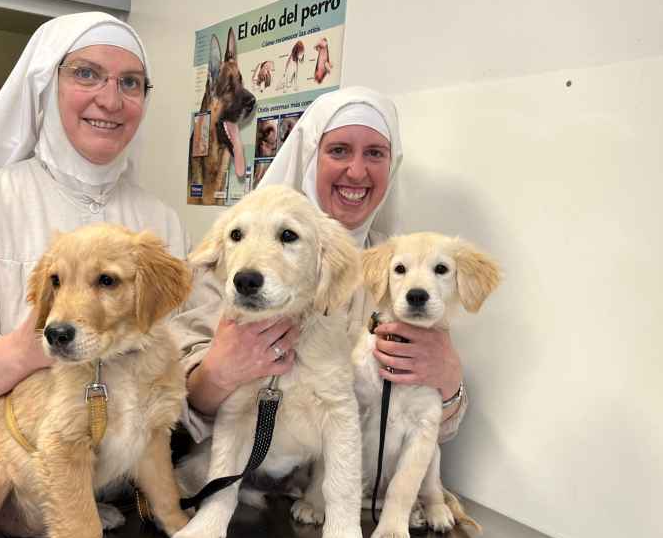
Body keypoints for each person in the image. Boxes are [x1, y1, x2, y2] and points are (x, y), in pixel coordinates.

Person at [0, 12, 189, 529]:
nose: (111, 100)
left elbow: (182, 357)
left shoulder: (160, 222)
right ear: (46, 82)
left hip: (102, 512)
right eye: (86, 73)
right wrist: (20, 353)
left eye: (130, 82)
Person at [174, 86, 467, 451]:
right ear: (311, 156)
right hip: (235, 478)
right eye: (339, 150)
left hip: (339, 489)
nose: (357, 171)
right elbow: (172, 409)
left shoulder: (403, 268)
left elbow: (420, 426)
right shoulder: (240, 255)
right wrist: (216, 374)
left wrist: (448, 381)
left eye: (375, 153)